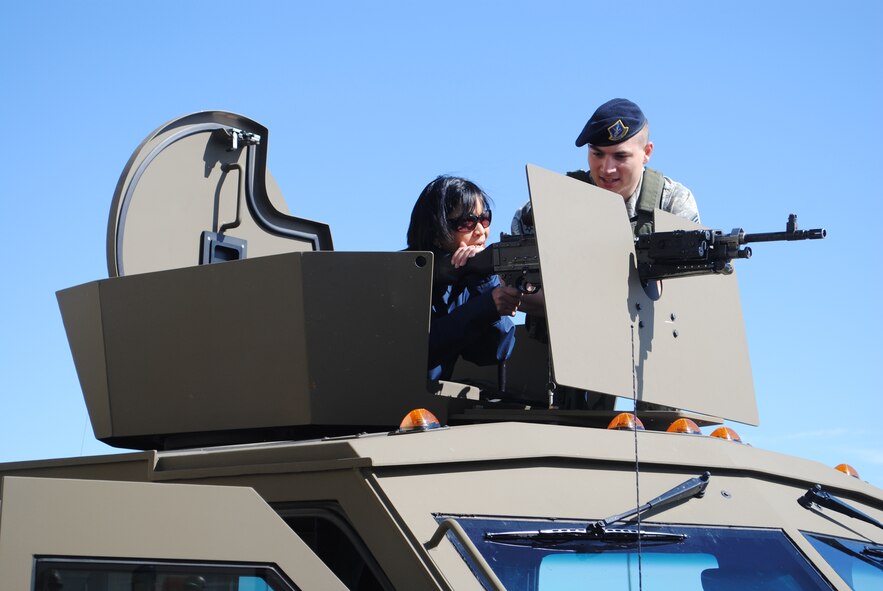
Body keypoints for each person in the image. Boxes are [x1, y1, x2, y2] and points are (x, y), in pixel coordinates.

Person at [512, 97, 699, 236]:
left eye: (620, 156)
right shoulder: (560, 197)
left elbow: (693, 279)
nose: (607, 169)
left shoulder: (672, 202)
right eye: (598, 154)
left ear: (647, 153)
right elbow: (519, 236)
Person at [407, 176, 521, 381]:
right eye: (467, 223)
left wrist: (484, 282)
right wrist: (484, 306)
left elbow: (494, 353)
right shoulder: (404, 276)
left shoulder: (470, 280)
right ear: (436, 232)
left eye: (484, 219)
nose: (480, 231)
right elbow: (416, 350)